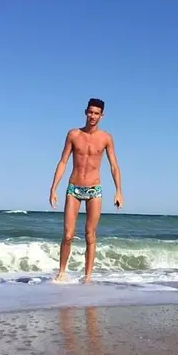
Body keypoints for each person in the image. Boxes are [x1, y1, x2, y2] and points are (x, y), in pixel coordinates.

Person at [49, 98, 123, 282]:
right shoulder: (73, 134)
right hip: (74, 188)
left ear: (102, 116)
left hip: (94, 189)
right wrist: (53, 188)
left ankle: (87, 277)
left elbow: (114, 165)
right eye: (90, 112)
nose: (93, 116)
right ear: (85, 112)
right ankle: (62, 272)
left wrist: (118, 191)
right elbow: (63, 161)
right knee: (68, 234)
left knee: (90, 234)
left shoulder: (106, 138)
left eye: (96, 113)